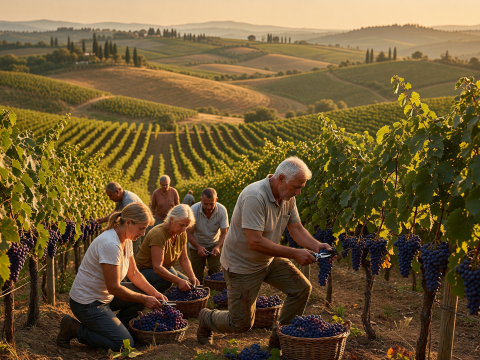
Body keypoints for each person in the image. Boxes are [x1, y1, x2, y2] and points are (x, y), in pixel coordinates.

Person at [196, 157, 334, 349]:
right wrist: (294, 254)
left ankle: (278, 341)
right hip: (242, 265)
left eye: (301, 187)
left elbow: (296, 229)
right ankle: (206, 318)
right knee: (241, 324)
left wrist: (317, 245)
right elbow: (255, 242)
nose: (298, 192)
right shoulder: (255, 196)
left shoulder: (288, 197)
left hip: (267, 260)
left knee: (301, 288)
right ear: (281, 178)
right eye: (296, 186)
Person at [57, 202, 168, 351]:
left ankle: (114, 328)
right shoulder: (110, 244)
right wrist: (145, 299)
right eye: (141, 228)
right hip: (87, 304)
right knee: (123, 345)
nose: (143, 233)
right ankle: (73, 328)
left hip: (104, 297)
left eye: (145, 229)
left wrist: (154, 293)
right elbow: (114, 288)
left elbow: (134, 273)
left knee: (144, 292)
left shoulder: (126, 239)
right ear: (128, 222)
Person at [135, 204, 200, 293]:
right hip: (143, 271)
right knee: (169, 280)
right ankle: (145, 296)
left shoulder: (181, 232)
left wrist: (192, 276)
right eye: (181, 225)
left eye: (186, 226)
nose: (184, 229)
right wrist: (178, 281)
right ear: (172, 219)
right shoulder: (158, 234)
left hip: (165, 268)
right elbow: (157, 267)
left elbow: (184, 258)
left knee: (188, 285)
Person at [187, 188, 228, 283]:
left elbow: (224, 233)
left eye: (211, 204)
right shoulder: (193, 210)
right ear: (201, 200)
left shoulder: (222, 210)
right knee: (196, 277)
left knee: (216, 274)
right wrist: (198, 247)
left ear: (216, 200)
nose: (209, 207)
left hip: (214, 244)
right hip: (196, 244)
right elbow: (189, 233)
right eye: (206, 204)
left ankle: (213, 292)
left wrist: (218, 247)